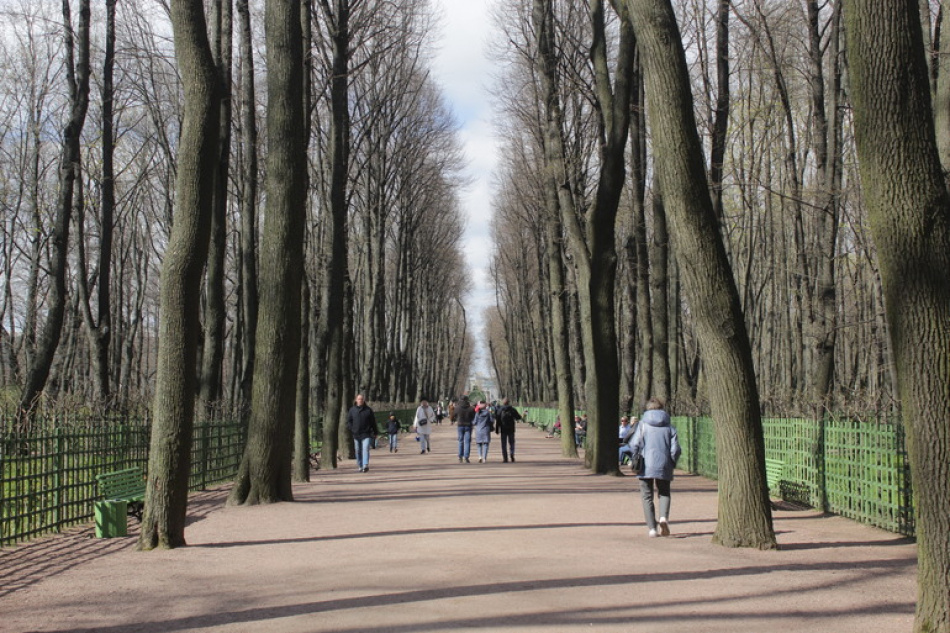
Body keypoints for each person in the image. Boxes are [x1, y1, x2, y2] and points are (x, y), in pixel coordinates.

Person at [627, 397, 681, 537]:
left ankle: (652, 528)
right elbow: (675, 449)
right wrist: (672, 462)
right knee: (664, 493)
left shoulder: (642, 425)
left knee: (646, 496)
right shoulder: (670, 427)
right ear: (662, 408)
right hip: (664, 464)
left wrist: (635, 457)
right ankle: (663, 517)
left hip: (645, 464)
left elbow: (634, 444)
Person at [346, 394, 378, 473]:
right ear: (356, 400)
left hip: (366, 433)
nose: (360, 400)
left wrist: (375, 432)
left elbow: (373, 422)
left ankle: (365, 465)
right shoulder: (352, 410)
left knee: (365, 448)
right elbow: (349, 421)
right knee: (358, 450)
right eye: (359, 399)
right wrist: (352, 429)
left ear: (364, 400)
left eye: (362, 399)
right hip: (356, 433)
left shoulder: (368, 410)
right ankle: (360, 465)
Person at [495, 397, 522, 462]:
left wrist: (497, 429)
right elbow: (518, 417)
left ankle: (505, 458)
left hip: (503, 429)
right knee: (512, 443)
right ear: (509, 402)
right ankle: (512, 453)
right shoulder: (512, 409)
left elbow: (498, 420)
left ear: (503, 403)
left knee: (503, 444)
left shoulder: (500, 410)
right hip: (511, 429)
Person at [451, 394, 475, 462]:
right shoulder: (471, 408)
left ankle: (460, 456)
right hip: (468, 426)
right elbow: (474, 417)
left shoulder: (457, 408)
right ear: (467, 400)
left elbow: (453, 415)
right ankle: (466, 457)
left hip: (460, 425)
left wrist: (455, 419)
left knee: (460, 441)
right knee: (467, 442)